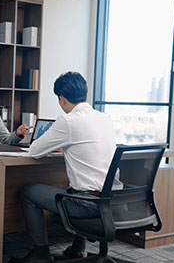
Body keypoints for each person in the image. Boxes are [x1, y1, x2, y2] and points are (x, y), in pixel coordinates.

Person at [10, 72, 123, 263]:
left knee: (29, 191)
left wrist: (59, 142)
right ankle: (77, 248)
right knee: (72, 186)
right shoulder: (105, 118)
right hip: (113, 200)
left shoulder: (68, 121)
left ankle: (41, 254)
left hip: (87, 204)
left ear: (62, 99)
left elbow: (35, 150)